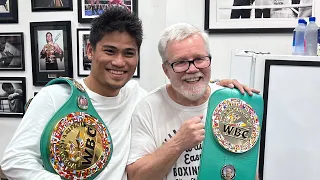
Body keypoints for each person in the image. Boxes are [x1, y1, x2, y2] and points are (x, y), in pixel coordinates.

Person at [1, 6, 254, 180]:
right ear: (90, 51)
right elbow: (13, 161)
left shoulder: (135, 96)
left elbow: (180, 88)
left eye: (129, 53)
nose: (119, 62)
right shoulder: (57, 96)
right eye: (110, 51)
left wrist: (217, 87)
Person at [126, 23, 260, 180]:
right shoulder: (147, 108)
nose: (192, 69)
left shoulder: (231, 102)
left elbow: (247, 170)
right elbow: (136, 177)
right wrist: (178, 143)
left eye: (199, 59)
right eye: (180, 62)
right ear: (166, 70)